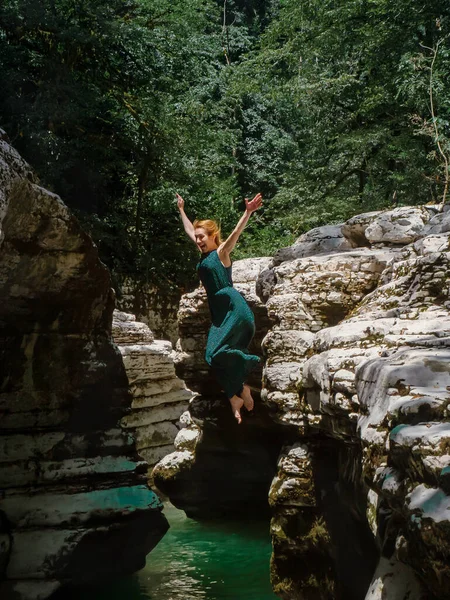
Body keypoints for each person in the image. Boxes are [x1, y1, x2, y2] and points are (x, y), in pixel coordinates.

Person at [176, 192, 263, 424]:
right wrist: (181, 210)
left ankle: (241, 391)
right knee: (211, 355)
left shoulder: (221, 253)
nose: (198, 240)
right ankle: (236, 395)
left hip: (234, 308)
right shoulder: (203, 255)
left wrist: (248, 212)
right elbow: (188, 231)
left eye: (202, 237)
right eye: (197, 238)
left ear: (213, 237)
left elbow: (235, 234)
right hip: (220, 312)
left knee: (217, 353)